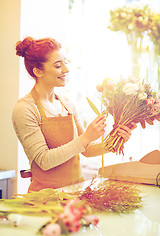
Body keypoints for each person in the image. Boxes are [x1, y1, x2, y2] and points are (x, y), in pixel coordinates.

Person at [12, 37, 136, 192]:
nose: (66, 69)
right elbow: (44, 160)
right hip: (46, 198)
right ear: (38, 71)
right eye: (58, 65)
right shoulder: (25, 109)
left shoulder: (67, 104)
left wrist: (115, 141)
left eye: (65, 62)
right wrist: (86, 137)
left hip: (76, 192)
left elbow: (87, 149)